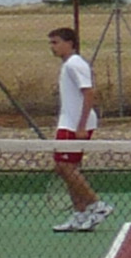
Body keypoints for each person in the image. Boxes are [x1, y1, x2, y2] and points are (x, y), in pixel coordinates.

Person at [46, 23, 108, 233]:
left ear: (69, 43)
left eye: (56, 42)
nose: (52, 47)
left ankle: (97, 206)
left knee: (65, 167)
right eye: (51, 43)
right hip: (67, 122)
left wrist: (80, 125)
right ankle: (80, 214)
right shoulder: (68, 65)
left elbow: (89, 93)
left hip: (74, 125)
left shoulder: (75, 64)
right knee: (66, 168)